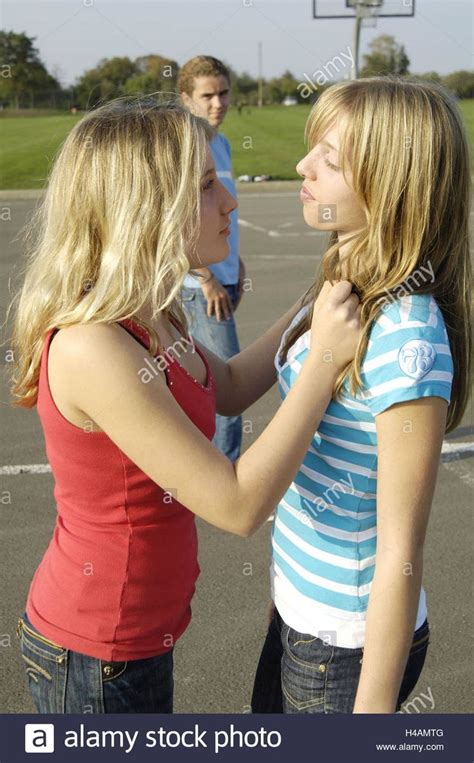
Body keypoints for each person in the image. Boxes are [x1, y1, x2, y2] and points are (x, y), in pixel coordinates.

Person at [9, 96, 361, 714]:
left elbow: (224, 385)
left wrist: (315, 305)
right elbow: (237, 504)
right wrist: (325, 359)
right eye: (203, 185)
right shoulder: (95, 346)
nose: (228, 201)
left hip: (136, 639)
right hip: (95, 656)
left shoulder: (151, 312)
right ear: (144, 208)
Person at [251, 77, 472, 714]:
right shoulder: (341, 284)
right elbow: (241, 384)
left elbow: (402, 551)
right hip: (299, 611)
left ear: (391, 187)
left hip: (343, 647)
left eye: (331, 158)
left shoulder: (407, 337)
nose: (302, 165)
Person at [178, 55, 243, 462]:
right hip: (203, 288)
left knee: (199, 382)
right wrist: (206, 278)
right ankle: (226, 475)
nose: (217, 103)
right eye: (207, 95)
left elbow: (225, 210)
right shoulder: (187, 148)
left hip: (226, 279)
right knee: (230, 391)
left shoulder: (223, 144)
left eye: (223, 93)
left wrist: (237, 264)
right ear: (186, 99)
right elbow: (176, 221)